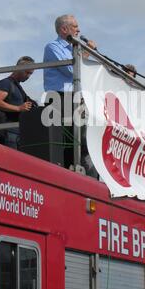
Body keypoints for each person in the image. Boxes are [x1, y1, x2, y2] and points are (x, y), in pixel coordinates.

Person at [43, 14, 97, 173]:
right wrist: (86, 54)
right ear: (64, 29)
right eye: (75, 26)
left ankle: (83, 171)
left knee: (82, 139)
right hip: (60, 98)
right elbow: (71, 70)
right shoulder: (53, 47)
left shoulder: (76, 49)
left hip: (76, 98)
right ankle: (68, 172)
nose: (79, 30)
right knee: (68, 140)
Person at [0, 56, 36, 149]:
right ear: (18, 68)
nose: (28, 76)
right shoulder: (6, 83)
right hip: (9, 132)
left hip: (17, 133)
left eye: (30, 74)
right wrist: (18, 108)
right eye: (27, 72)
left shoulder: (18, 87)